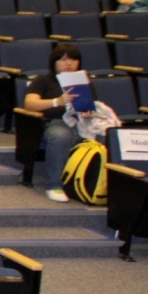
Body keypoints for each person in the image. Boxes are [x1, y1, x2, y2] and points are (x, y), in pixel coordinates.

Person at [22, 43, 89, 203]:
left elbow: (91, 104)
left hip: (80, 123)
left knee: (105, 136)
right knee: (61, 136)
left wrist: (88, 111)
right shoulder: (43, 80)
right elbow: (29, 104)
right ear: (54, 62)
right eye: (63, 60)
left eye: (73, 60)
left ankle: (93, 185)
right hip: (53, 123)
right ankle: (55, 185)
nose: (68, 63)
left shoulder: (82, 81)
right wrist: (57, 101)